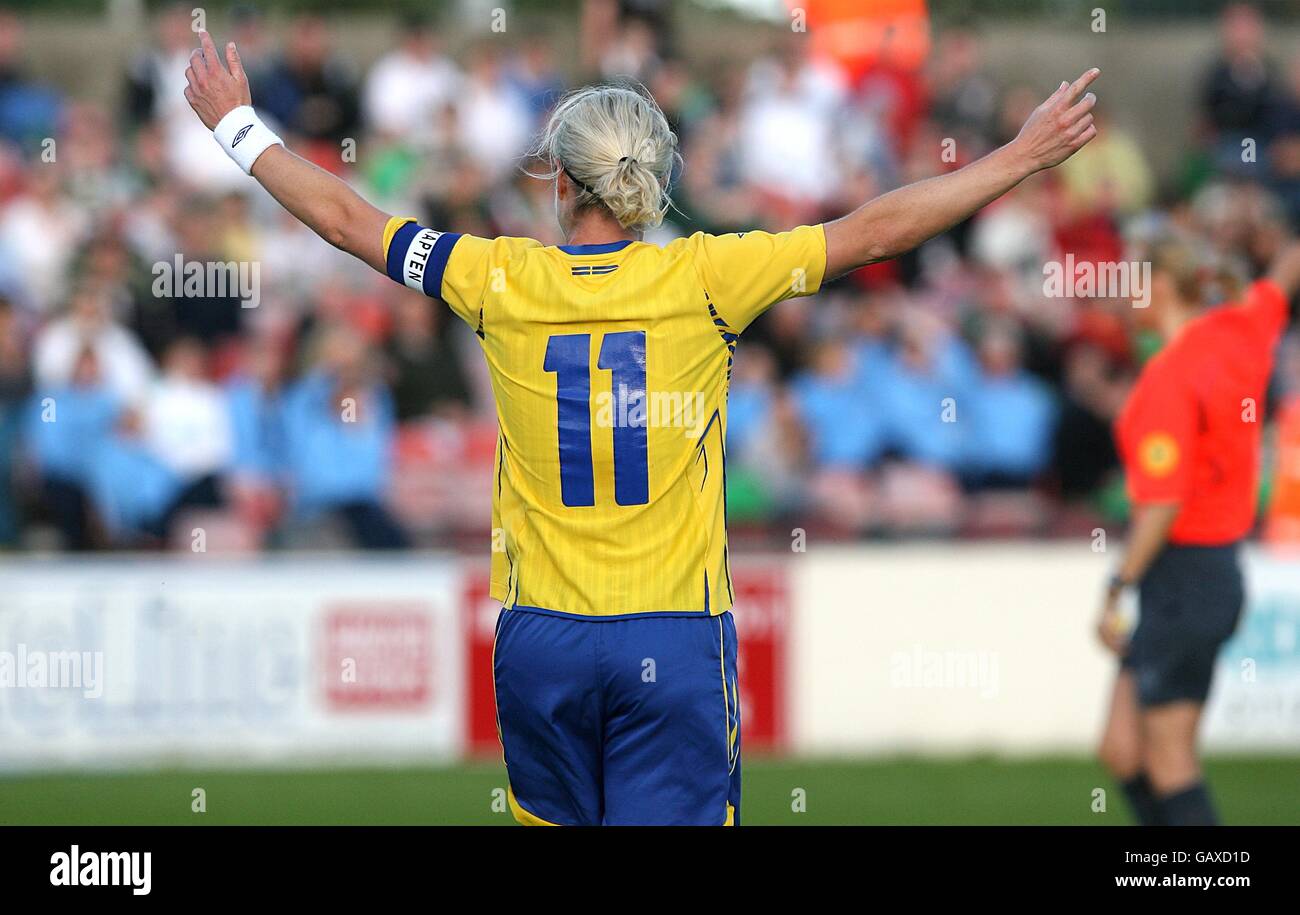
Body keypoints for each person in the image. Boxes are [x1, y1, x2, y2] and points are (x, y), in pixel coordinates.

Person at [182, 29, 1099, 825]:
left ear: (559, 180)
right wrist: (1016, 158)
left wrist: (236, 126)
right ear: (647, 180)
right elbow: (875, 230)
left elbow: (347, 219)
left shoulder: (495, 277)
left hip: (541, 637)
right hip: (669, 632)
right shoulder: (708, 275)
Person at [1096, 236, 1300, 826]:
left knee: (1169, 761)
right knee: (1122, 748)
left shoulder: (1170, 378)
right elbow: (1284, 271)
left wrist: (1117, 583)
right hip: (1209, 574)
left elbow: (1161, 503)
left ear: (1158, 287)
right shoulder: (1240, 331)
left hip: (1184, 574)